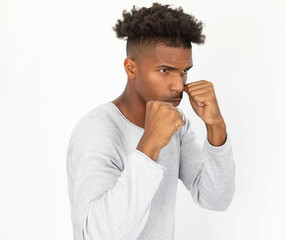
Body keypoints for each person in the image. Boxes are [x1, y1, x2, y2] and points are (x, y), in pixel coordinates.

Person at [66, 2, 235, 240]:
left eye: (184, 71)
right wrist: (150, 144)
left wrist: (216, 126)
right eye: (165, 70)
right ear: (131, 68)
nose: (179, 86)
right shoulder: (97, 130)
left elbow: (216, 199)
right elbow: (99, 235)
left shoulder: (177, 124)